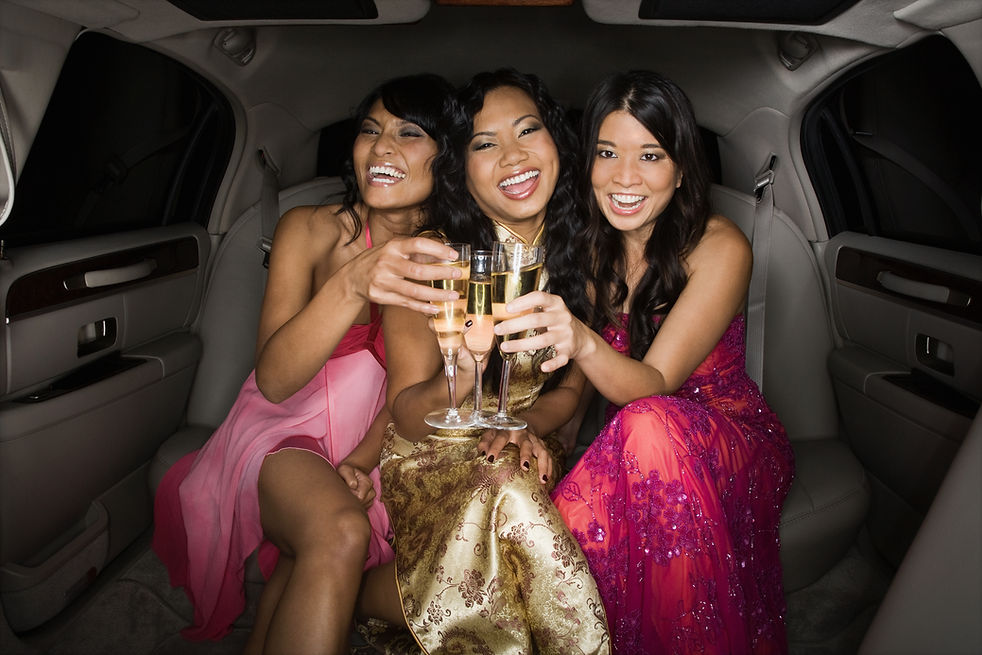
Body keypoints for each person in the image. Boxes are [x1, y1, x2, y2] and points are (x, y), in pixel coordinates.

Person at [151, 73, 461, 654]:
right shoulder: (309, 229)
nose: (382, 147)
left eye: (410, 133)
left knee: (310, 562)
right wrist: (354, 281)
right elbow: (273, 380)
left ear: (447, 160)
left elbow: (408, 389)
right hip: (278, 429)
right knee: (339, 530)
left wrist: (365, 462)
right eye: (371, 130)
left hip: (371, 439)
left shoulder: (443, 257)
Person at [496, 70, 795, 654]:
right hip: (637, 443)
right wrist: (522, 423)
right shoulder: (591, 250)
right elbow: (577, 397)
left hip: (729, 441)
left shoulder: (720, 246)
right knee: (540, 527)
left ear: (681, 169)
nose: (624, 177)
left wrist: (582, 339)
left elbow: (654, 385)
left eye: (650, 155)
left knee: (648, 420)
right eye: (607, 152)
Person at [376, 69, 610, 654]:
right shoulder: (429, 258)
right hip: (431, 451)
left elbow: (571, 399)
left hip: (529, 439)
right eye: (484, 143)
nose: (512, 156)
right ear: (460, 169)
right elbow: (405, 416)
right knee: (507, 485)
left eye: (528, 131)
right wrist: (471, 370)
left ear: (557, 144)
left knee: (511, 475)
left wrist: (526, 427)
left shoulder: (592, 257)